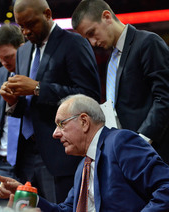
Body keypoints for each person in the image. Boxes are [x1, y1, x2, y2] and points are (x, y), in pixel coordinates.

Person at [0, 94, 169, 211]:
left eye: (61, 124)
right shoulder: (82, 168)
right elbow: (67, 209)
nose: (55, 133)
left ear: (84, 121)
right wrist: (30, 197)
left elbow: (165, 187)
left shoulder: (120, 142)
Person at [0, 0, 101, 203]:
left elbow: (89, 96)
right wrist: (12, 102)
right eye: (21, 26)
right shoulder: (23, 51)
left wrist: (37, 88)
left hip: (60, 154)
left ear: (47, 14)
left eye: (30, 24)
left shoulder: (73, 43)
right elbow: (27, 106)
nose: (26, 31)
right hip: (25, 156)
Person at [71, 0, 169, 164]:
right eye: (87, 38)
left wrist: (142, 140)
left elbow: (165, 97)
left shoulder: (148, 42)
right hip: (130, 153)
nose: (93, 42)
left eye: (92, 32)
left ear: (107, 17)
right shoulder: (113, 58)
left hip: (156, 151)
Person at [0, 23, 25, 205]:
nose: (4, 62)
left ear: (22, 47)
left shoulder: (34, 74)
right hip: (3, 159)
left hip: (29, 159)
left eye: (9, 56)